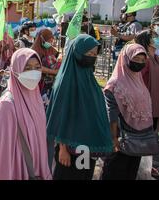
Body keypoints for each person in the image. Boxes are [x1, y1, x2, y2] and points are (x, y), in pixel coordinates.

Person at [46, 35, 113, 180]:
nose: (92, 57)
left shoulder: (89, 77)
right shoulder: (65, 81)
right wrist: (63, 148)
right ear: (77, 53)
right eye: (88, 53)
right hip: (69, 147)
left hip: (88, 145)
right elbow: (60, 115)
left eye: (95, 54)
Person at [0, 48, 52, 180]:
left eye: (37, 68)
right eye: (27, 68)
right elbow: (3, 155)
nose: (33, 73)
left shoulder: (36, 99)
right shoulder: (7, 106)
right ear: (16, 70)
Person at [102, 44, 154, 180]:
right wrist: (113, 139)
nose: (140, 63)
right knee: (114, 173)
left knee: (130, 174)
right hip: (121, 142)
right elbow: (111, 114)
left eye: (143, 60)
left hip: (138, 143)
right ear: (126, 59)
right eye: (136, 59)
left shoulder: (138, 80)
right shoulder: (115, 84)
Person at [134, 30, 159, 131]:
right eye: (154, 37)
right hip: (146, 103)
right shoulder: (144, 60)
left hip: (156, 101)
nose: (157, 39)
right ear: (146, 41)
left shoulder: (156, 58)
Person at [31, 29, 61, 107]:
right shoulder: (33, 51)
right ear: (42, 38)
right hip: (39, 84)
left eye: (51, 40)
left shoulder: (50, 48)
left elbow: (58, 55)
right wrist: (53, 72)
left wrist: (60, 59)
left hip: (50, 83)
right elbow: (36, 67)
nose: (50, 42)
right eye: (48, 40)